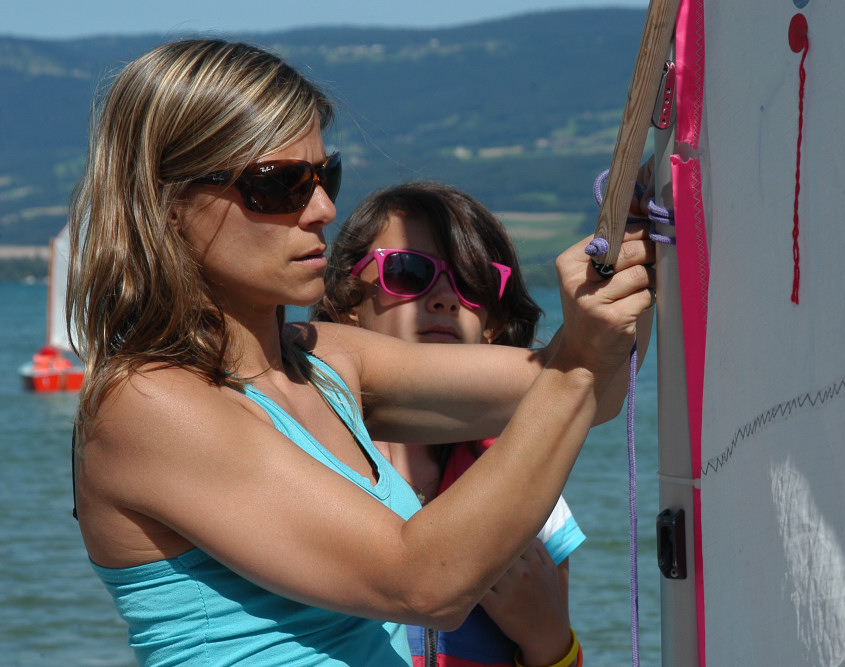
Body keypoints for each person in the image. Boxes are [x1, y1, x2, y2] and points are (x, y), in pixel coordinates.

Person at [68, 38, 654, 667]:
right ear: (166, 206)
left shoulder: (327, 362)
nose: (322, 210)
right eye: (278, 185)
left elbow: (596, 391)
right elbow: (424, 584)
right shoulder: (148, 405)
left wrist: (636, 244)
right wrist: (578, 361)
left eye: (326, 177)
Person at [314, 181, 583, 666]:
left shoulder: (530, 489)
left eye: (473, 282)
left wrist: (550, 640)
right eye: (408, 272)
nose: (444, 298)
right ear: (347, 306)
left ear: (493, 324)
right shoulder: (305, 462)